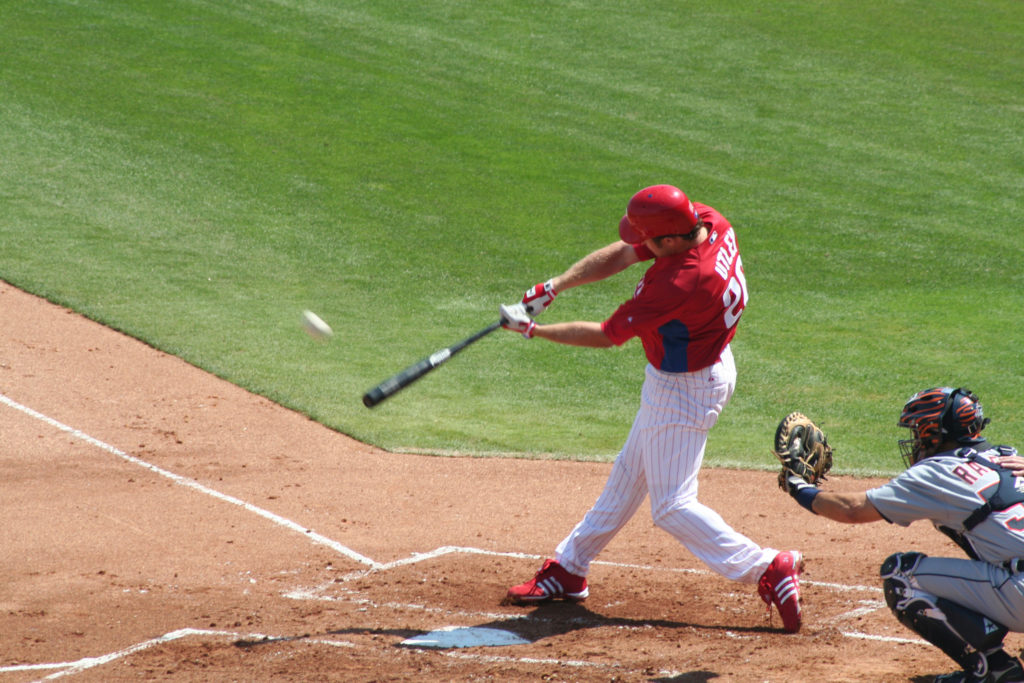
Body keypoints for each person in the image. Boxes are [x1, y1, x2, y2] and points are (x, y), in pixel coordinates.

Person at [497, 184, 804, 633]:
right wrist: (554, 286)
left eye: (649, 239)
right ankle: (569, 567)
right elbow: (624, 253)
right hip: (702, 366)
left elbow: (606, 334)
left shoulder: (681, 282)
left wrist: (532, 331)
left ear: (669, 240)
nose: (640, 243)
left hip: (685, 389)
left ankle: (765, 568)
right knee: (630, 473)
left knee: (672, 506)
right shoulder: (707, 220)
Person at [782, 386, 1024, 683]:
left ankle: (995, 670)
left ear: (933, 432)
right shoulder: (1008, 458)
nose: (915, 440)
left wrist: (799, 486)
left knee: (901, 576)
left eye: (918, 431)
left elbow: (852, 509)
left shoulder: (939, 471)